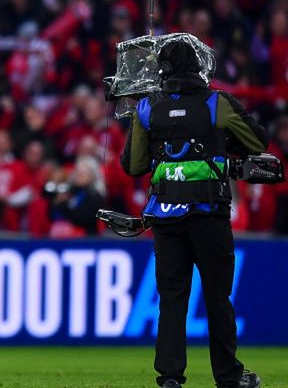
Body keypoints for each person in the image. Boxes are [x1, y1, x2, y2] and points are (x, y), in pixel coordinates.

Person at [121, 38, 267, 388]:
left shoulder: (147, 108)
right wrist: (221, 142)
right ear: (197, 66)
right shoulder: (218, 102)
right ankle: (229, 376)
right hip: (209, 215)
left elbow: (134, 165)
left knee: (172, 300)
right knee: (218, 297)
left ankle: (170, 377)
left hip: (167, 218)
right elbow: (258, 141)